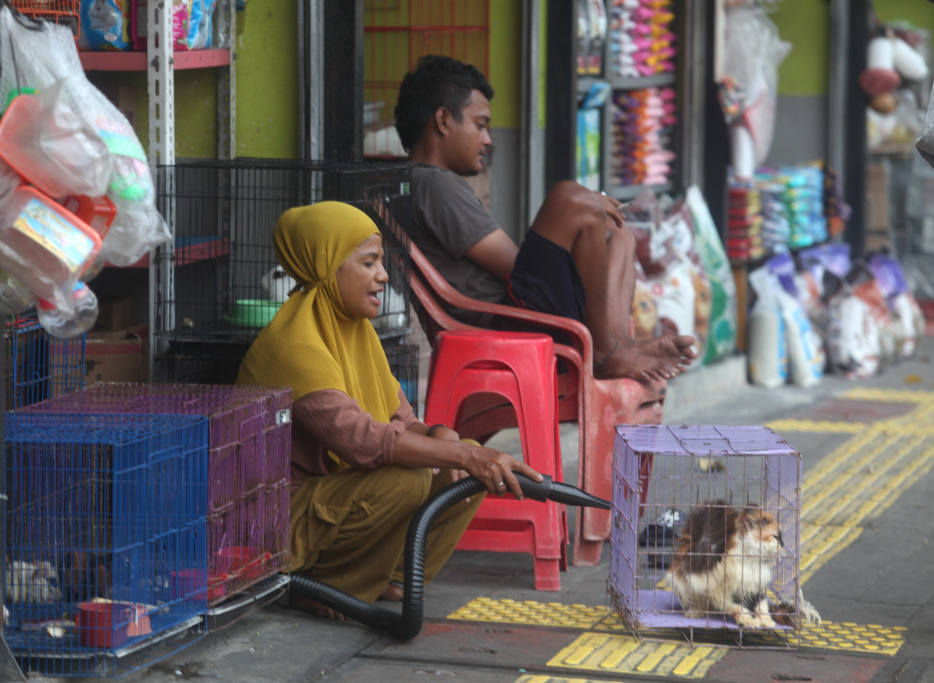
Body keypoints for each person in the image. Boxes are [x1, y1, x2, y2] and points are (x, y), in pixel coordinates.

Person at [235, 201, 543, 620]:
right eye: (368, 263)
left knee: (465, 462)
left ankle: (396, 577)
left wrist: (444, 438)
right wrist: (460, 454)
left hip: (329, 502)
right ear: (328, 267)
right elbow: (363, 442)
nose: (383, 275)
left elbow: (404, 423)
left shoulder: (357, 333)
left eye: (381, 262)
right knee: (412, 477)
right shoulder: (292, 346)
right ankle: (326, 586)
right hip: (273, 526)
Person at [393, 55, 697, 382]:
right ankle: (606, 353)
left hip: (511, 321)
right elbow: (513, 267)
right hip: (502, 327)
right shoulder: (435, 186)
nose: (488, 140)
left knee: (617, 233)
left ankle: (619, 343)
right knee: (570, 199)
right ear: (442, 120)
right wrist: (585, 212)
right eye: (480, 125)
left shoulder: (422, 183)